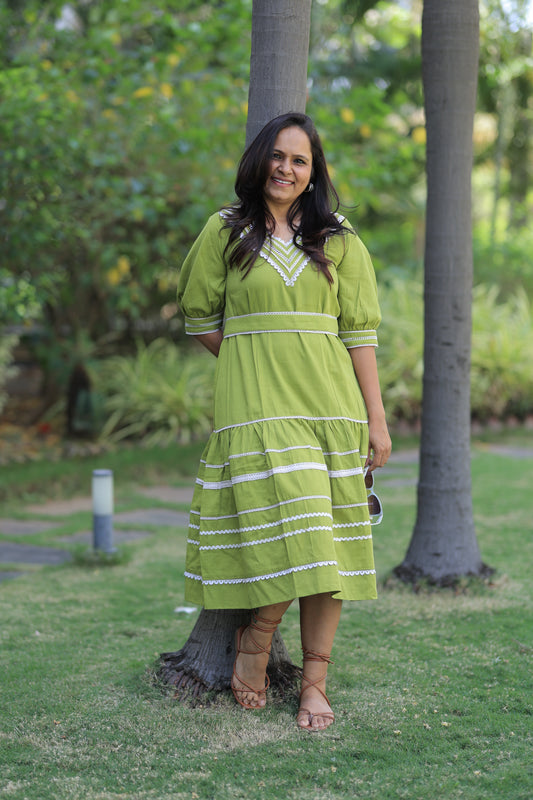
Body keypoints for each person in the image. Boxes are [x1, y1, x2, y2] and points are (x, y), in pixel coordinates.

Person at [177, 112, 391, 732]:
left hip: (332, 407)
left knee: (331, 550)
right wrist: (253, 357)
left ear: (313, 172)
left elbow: (360, 336)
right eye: (277, 156)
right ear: (259, 160)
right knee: (291, 535)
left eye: (300, 160)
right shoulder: (223, 230)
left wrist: (375, 420)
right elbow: (200, 319)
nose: (286, 168)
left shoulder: (339, 237)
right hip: (259, 410)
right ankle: (256, 639)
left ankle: (314, 684)